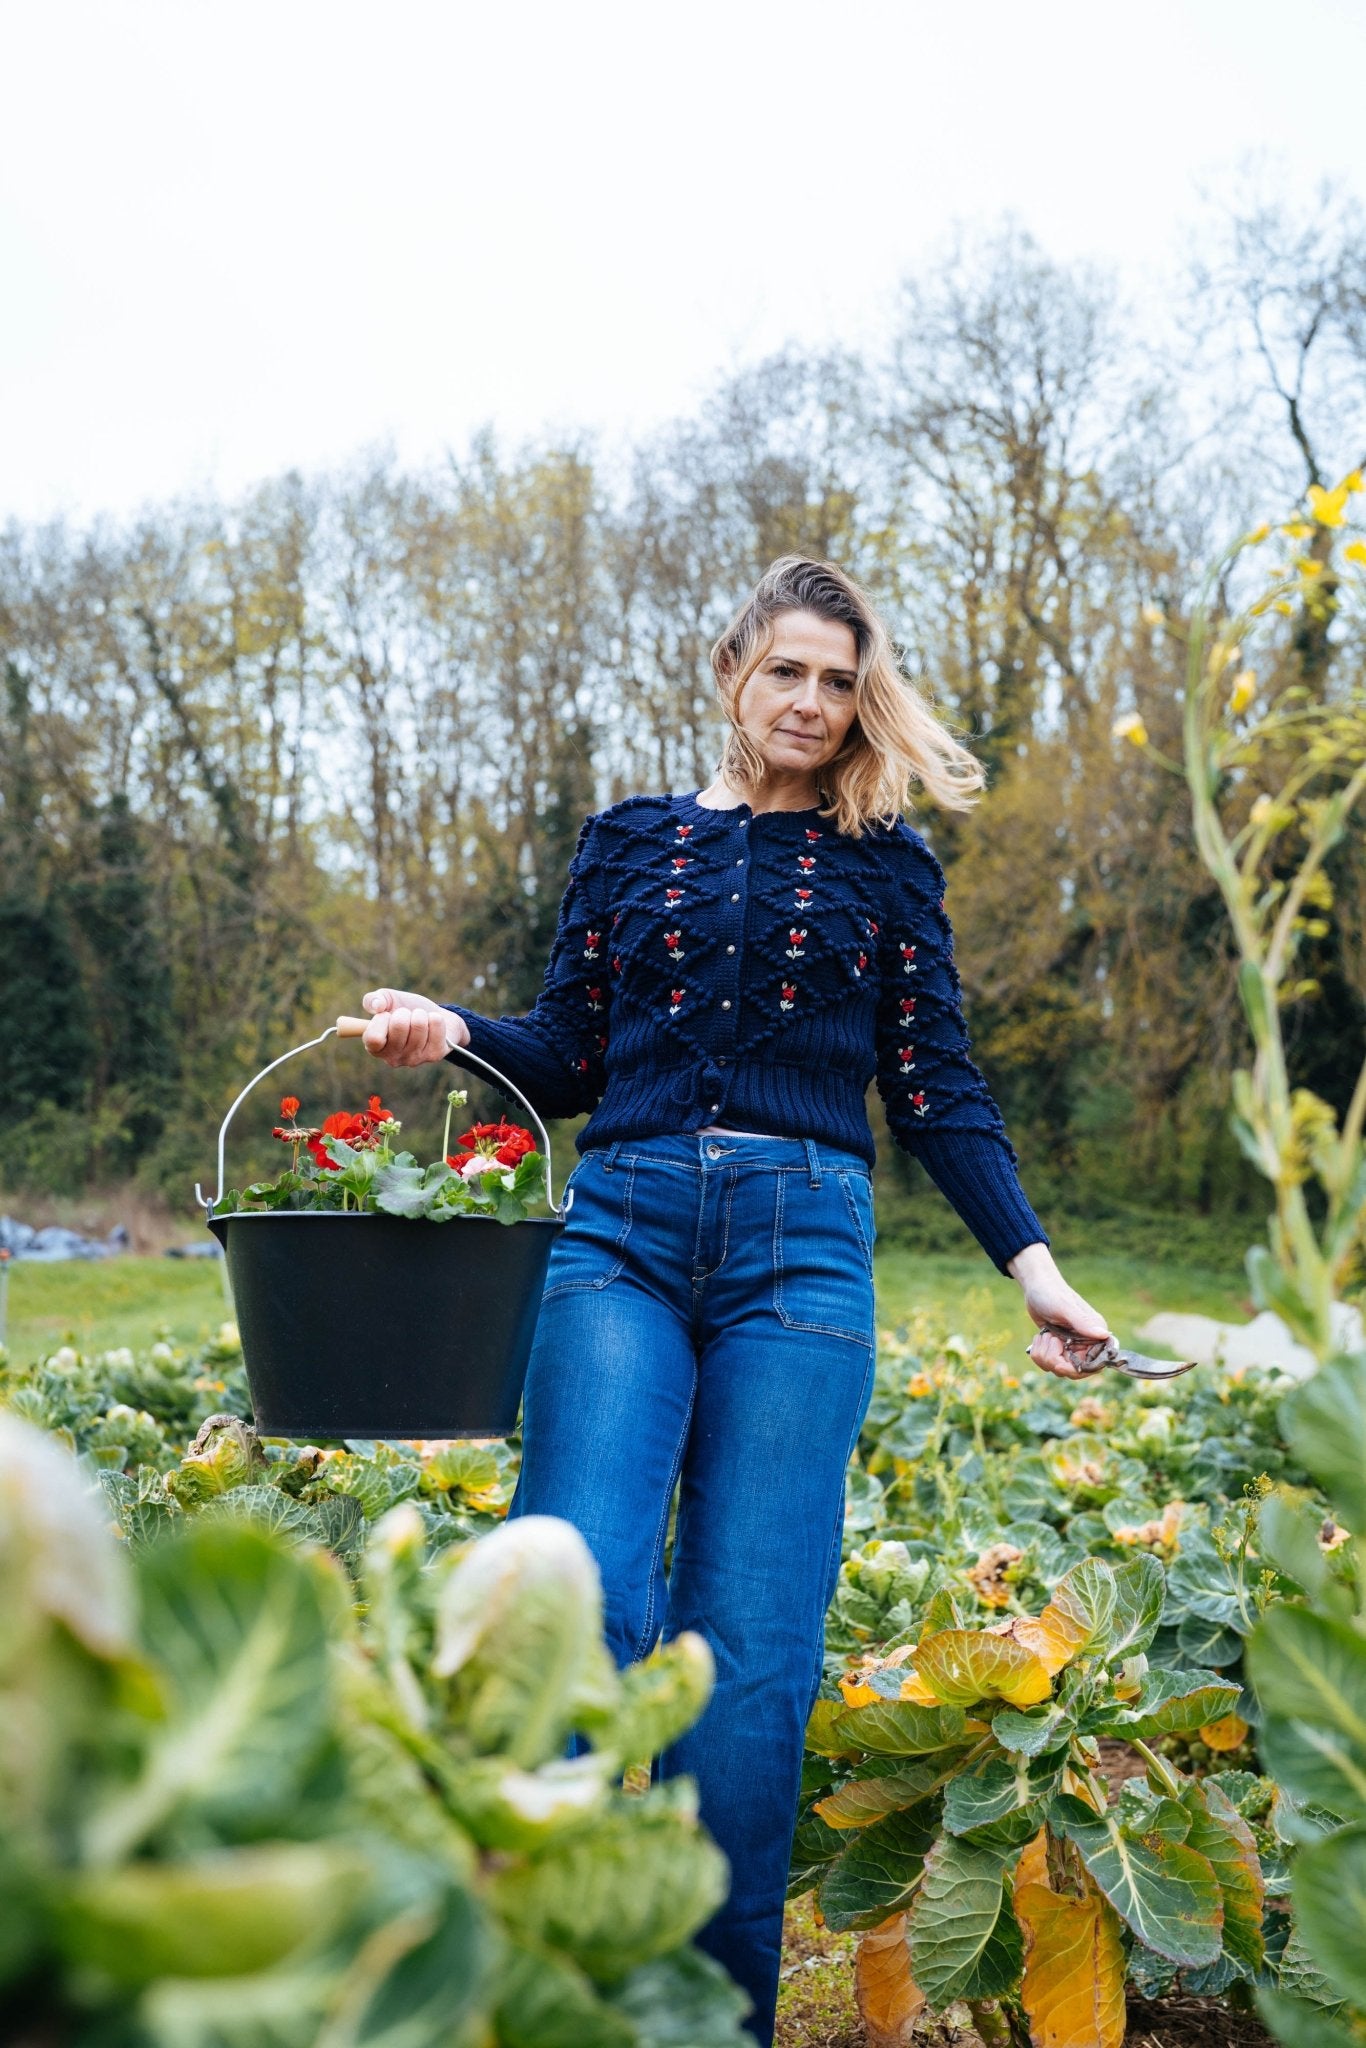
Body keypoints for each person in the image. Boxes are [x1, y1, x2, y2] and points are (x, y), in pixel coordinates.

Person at [357, 556, 1111, 2045]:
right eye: (789, 672)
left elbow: (936, 1087)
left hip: (801, 1250)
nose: (814, 704)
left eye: (841, 681)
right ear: (730, 673)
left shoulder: (889, 867)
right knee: (579, 1597)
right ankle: (544, 1988)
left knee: (750, 1646)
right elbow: (568, 1051)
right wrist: (451, 1030)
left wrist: (1036, 1271)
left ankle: (707, 2021)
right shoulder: (627, 843)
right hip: (622, 1235)